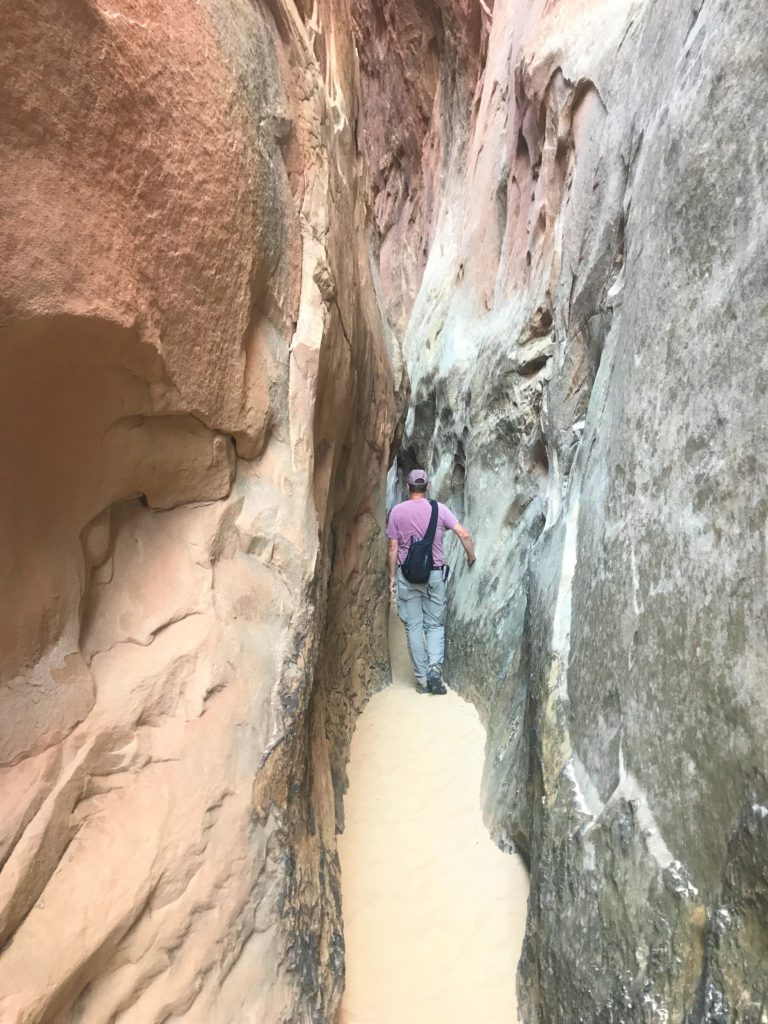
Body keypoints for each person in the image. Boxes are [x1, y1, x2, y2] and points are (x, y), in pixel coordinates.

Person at [386, 468, 475, 694]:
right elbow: (463, 534)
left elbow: (392, 547)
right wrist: (471, 557)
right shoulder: (439, 509)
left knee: (414, 627)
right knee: (434, 624)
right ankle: (435, 669)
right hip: (434, 575)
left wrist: (392, 576)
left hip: (407, 576)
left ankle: (423, 681)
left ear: (408, 487)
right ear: (427, 487)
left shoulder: (397, 512)